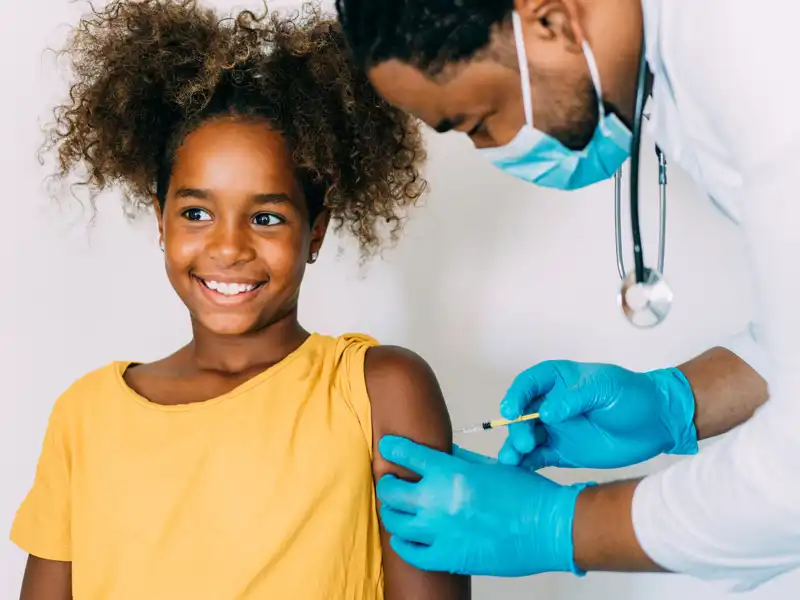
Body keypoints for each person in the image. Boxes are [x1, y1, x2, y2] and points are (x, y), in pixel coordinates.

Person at [10, 2, 472, 599]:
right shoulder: (86, 414)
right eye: (197, 213)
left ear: (316, 231)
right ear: (161, 220)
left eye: (266, 216)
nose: (228, 247)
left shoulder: (379, 390)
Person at [334, 0, 800, 591]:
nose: (492, 149)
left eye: (478, 121)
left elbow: (793, 474)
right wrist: (675, 403)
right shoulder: (685, 63)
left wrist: (559, 525)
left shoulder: (764, 60)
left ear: (550, 20)